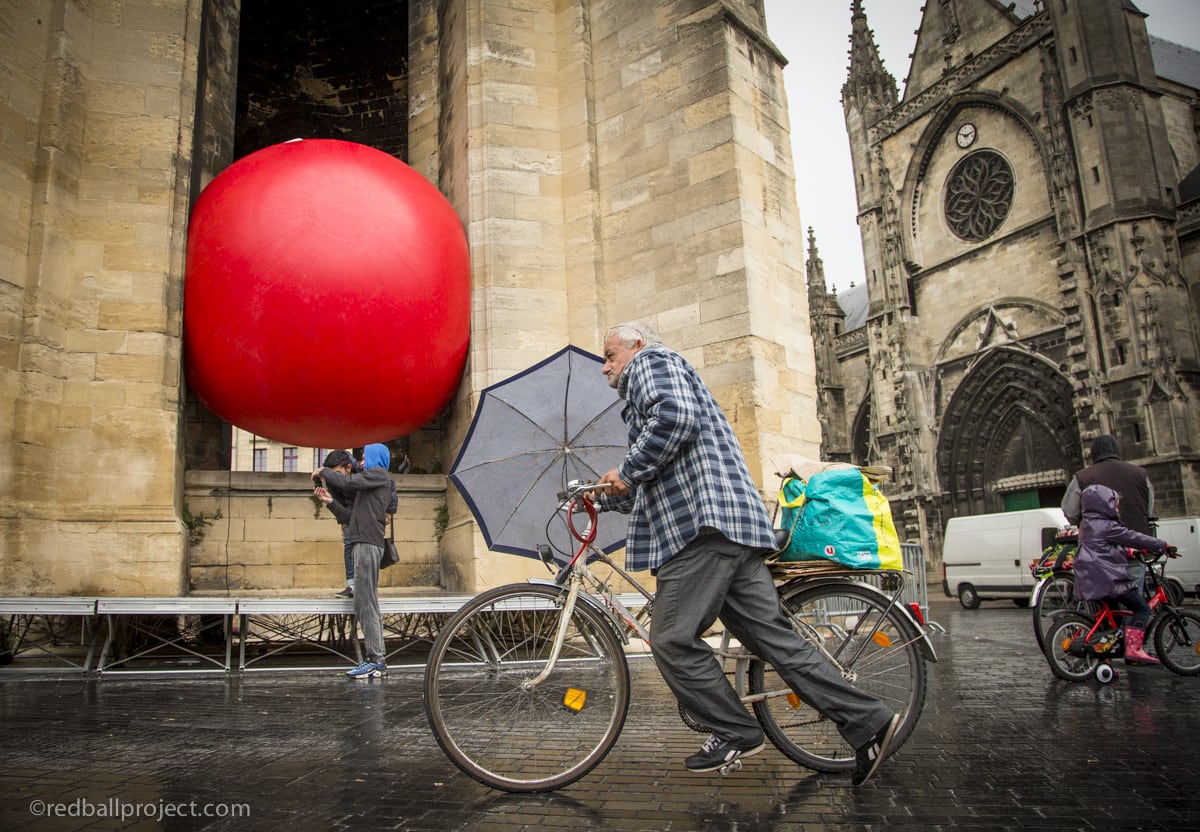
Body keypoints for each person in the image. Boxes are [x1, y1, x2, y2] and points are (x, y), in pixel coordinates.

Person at [592, 321, 900, 785]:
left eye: (610, 354)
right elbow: (657, 470)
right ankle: (869, 721)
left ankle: (736, 731)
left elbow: (675, 419)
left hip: (702, 531)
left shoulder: (652, 364)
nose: (605, 367)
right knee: (775, 642)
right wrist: (604, 494)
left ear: (636, 346)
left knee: (672, 639)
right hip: (733, 528)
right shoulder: (654, 386)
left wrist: (628, 469)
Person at [314, 443, 394, 678]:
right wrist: (330, 502)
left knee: (367, 601)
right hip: (363, 543)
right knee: (363, 601)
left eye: (364, 457)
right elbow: (350, 518)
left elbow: (346, 482)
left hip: (368, 545)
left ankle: (376, 660)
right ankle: (375, 658)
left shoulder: (378, 475)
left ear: (374, 458)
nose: (360, 462)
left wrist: (322, 472)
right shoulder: (369, 484)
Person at [1073, 484, 1173, 665]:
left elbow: (1100, 548)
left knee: (1110, 621)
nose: (1117, 509)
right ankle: (1134, 650)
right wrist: (1162, 545)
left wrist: (1128, 553)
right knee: (1142, 609)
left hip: (1092, 579)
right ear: (1104, 505)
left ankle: (1105, 660)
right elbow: (1134, 537)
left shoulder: (1087, 525)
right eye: (1115, 504)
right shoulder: (1107, 526)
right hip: (1109, 580)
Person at [1062, 434, 1155, 593]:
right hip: (1133, 549)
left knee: (1103, 603)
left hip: (1098, 551)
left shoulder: (1083, 477)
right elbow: (1150, 509)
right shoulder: (1140, 474)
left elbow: (1069, 510)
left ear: (1093, 453)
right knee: (1132, 603)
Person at [315, 449, 398, 599]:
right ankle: (352, 585)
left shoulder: (369, 472)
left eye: (337, 474)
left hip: (366, 513)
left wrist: (389, 511)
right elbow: (338, 497)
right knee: (348, 543)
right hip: (351, 507)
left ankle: (362, 588)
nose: (362, 462)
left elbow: (389, 488)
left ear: (348, 468)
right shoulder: (334, 480)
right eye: (362, 458)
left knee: (363, 554)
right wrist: (341, 516)